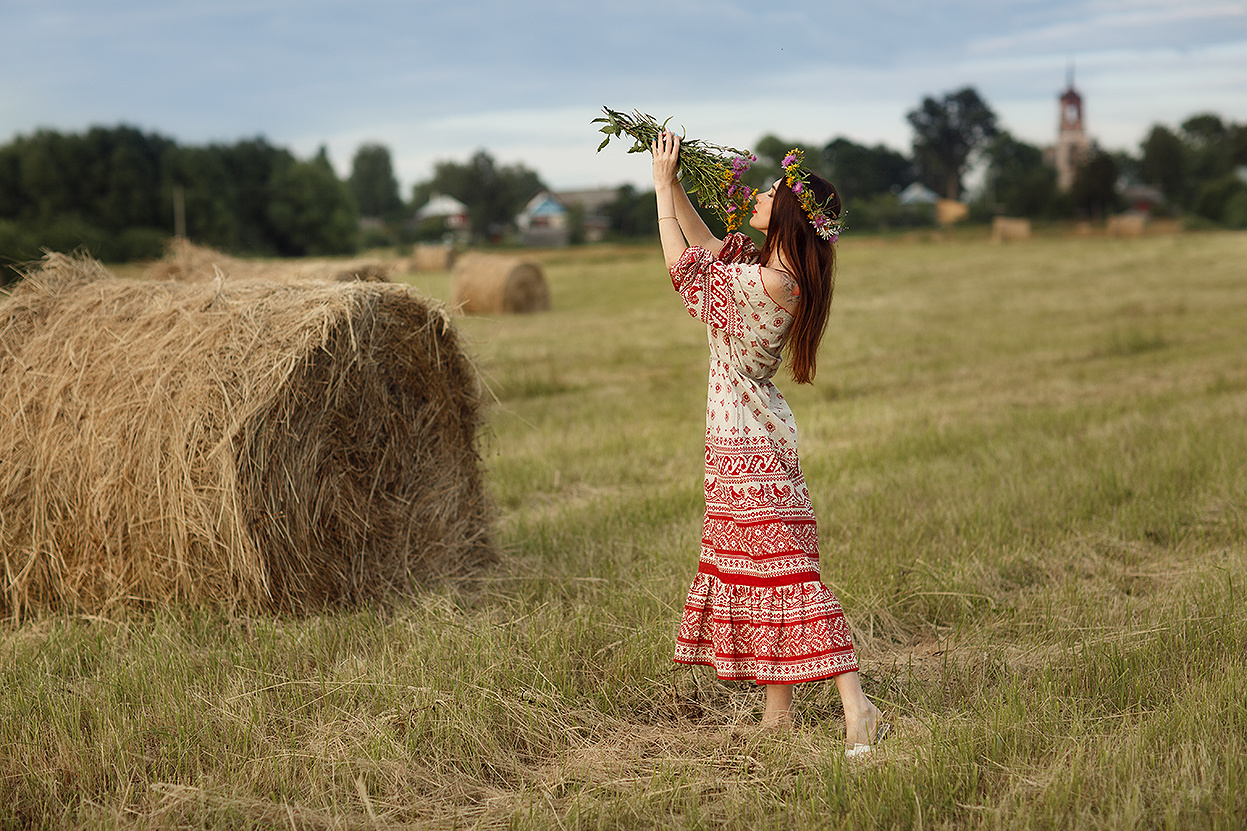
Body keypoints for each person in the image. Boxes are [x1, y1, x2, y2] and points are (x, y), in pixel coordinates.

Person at [652, 131, 887, 756]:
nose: (756, 194)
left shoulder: (772, 284)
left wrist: (657, 194)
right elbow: (706, 251)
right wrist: (674, 184)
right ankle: (778, 714)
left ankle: (857, 709)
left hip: (752, 450)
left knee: (789, 579)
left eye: (769, 192)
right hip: (740, 445)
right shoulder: (768, 272)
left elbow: (685, 269)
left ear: (787, 214)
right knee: (759, 578)